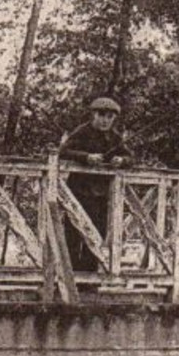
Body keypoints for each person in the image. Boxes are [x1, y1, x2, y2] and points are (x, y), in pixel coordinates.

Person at [57, 95, 132, 273]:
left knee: (97, 235)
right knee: (73, 234)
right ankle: (70, 276)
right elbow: (64, 151)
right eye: (102, 115)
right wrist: (86, 157)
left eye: (110, 117)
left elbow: (131, 158)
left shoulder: (114, 137)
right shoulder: (82, 132)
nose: (105, 121)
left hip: (101, 195)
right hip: (78, 193)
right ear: (94, 115)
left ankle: (89, 279)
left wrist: (121, 160)